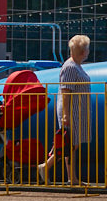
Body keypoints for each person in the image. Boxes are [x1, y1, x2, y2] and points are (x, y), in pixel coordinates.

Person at [37, 35, 92, 186]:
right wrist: (66, 114)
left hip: (78, 109)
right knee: (70, 144)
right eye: (86, 48)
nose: (88, 51)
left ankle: (55, 170)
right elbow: (66, 91)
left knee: (72, 144)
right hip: (72, 109)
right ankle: (60, 173)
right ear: (82, 51)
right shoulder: (70, 67)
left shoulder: (76, 65)